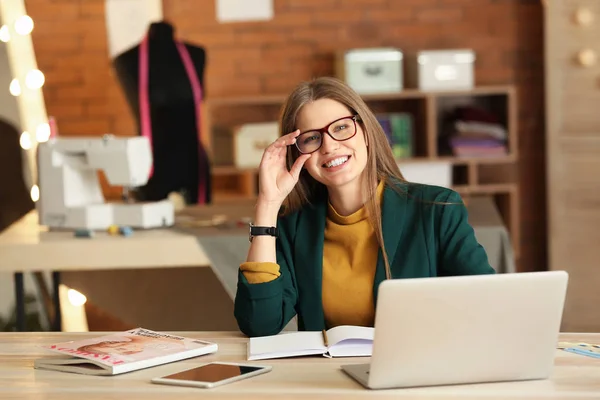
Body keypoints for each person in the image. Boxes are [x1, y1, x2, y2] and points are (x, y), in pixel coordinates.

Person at [234, 77, 495, 338]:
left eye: (341, 127)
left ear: (367, 132)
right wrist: (267, 206)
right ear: (297, 152)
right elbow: (260, 325)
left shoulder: (437, 210)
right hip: (326, 376)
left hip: (416, 371)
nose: (329, 146)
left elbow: (486, 303)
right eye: (312, 138)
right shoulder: (294, 226)